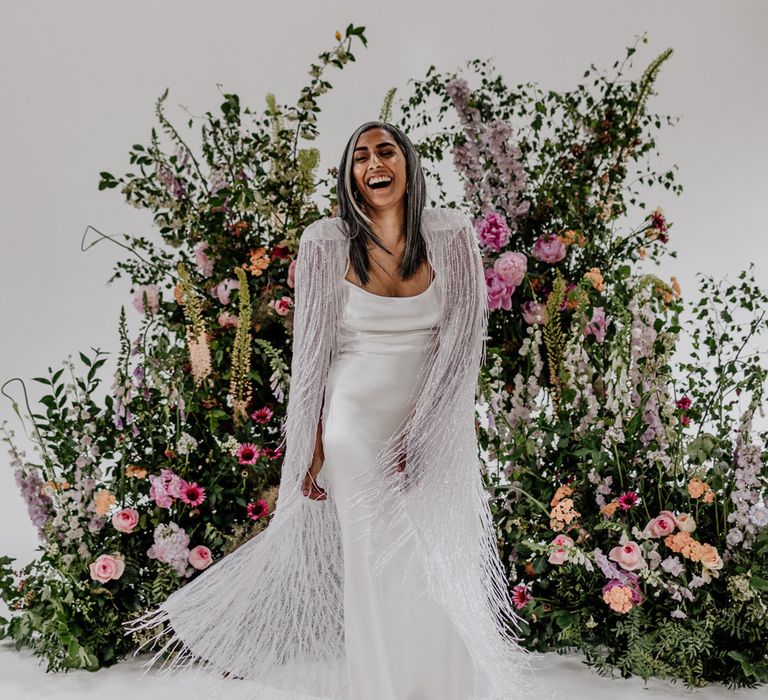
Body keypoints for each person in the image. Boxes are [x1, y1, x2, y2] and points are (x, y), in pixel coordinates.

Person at [124, 121, 546, 700]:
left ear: (407, 163)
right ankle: (380, 688)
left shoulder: (450, 234)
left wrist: (424, 433)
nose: (375, 163)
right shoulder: (326, 242)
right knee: (373, 561)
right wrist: (312, 441)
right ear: (349, 174)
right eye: (361, 156)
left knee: (431, 554)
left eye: (387, 151)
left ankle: (443, 687)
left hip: (432, 411)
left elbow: (464, 342)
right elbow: (312, 350)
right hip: (353, 415)